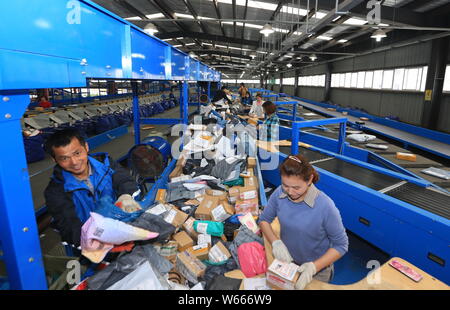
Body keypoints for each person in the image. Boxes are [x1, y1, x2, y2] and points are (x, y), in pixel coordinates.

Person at [259, 154, 349, 290]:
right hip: (288, 263)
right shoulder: (279, 193)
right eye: (285, 185)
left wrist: (314, 267)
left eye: (296, 188)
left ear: (309, 180)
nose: (290, 192)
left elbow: (341, 245)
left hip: (316, 270)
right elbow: (264, 220)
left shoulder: (326, 206)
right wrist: (275, 242)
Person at [44, 129, 140, 249]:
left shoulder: (106, 165)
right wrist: (98, 246)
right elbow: (69, 227)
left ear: (86, 147)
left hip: (121, 230)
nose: (74, 162)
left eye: (77, 153)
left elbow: (125, 181)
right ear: (55, 160)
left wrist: (126, 195)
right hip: (90, 246)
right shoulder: (56, 191)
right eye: (64, 158)